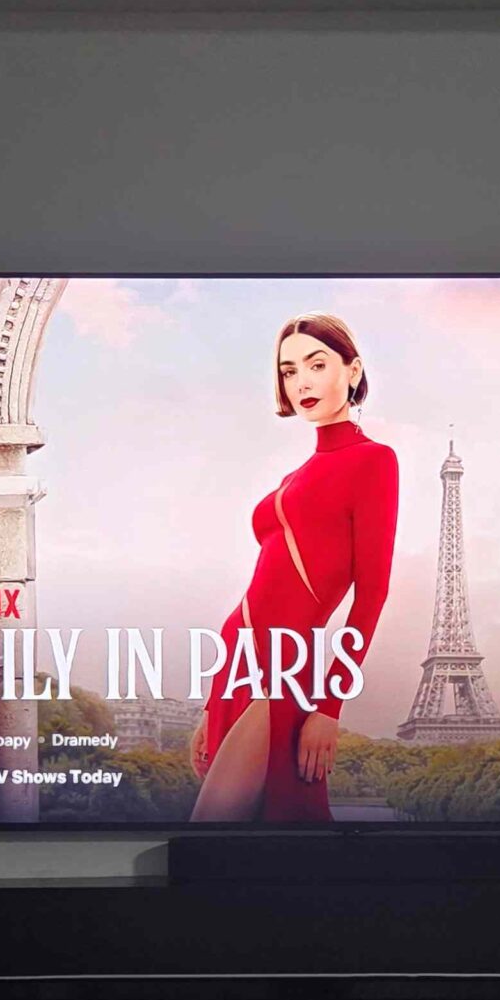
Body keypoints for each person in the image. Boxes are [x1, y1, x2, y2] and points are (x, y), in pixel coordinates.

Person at [189, 314, 399, 823]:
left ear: (352, 371)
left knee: (213, 841)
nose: (301, 381)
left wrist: (330, 708)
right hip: (235, 666)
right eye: (288, 371)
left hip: (282, 672)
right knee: (241, 850)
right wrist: (209, 707)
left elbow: (371, 595)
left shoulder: (375, 461)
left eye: (316, 364)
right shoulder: (295, 474)